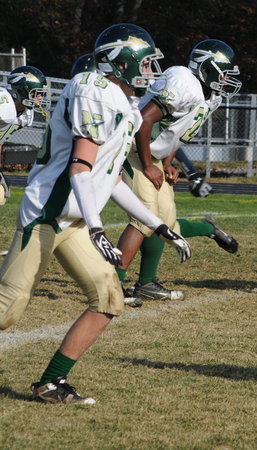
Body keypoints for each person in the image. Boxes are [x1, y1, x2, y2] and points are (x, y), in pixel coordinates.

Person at [0, 24, 192, 404]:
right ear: (119, 63)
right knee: (7, 310)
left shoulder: (126, 106)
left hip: (75, 219)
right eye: (145, 63)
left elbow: (110, 179)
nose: (151, 72)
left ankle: (51, 383)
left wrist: (159, 226)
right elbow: (80, 168)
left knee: (108, 298)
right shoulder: (93, 89)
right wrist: (98, 228)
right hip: (47, 215)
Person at [115, 39, 241, 302]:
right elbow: (144, 121)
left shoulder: (212, 97)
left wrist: (167, 162)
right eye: (224, 73)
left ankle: (146, 283)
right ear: (207, 68)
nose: (226, 80)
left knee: (166, 222)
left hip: (151, 153)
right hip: (131, 147)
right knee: (145, 216)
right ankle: (112, 285)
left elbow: (178, 132)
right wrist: (148, 165)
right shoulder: (184, 81)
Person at [70, 55, 212, 199]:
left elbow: (171, 133)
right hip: (125, 148)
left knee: (161, 210)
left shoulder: (133, 94)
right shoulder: (96, 102)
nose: (149, 73)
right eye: (144, 65)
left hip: (138, 148)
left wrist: (170, 163)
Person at [1, 66, 51, 255]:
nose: (40, 98)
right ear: (21, 90)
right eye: (36, 93)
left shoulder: (25, 115)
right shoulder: (4, 105)